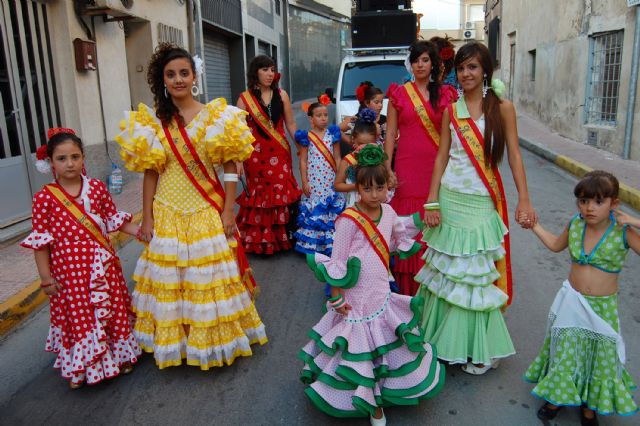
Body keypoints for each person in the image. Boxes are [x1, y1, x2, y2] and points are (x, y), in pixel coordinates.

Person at [116, 43, 267, 370]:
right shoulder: (154, 123)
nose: (178, 79)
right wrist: (147, 218)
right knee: (172, 280)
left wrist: (228, 210)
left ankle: (210, 344)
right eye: (171, 74)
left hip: (205, 210)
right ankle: (177, 343)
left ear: (194, 76)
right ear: (163, 79)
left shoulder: (217, 116)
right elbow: (150, 173)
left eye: (184, 73)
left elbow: (229, 166)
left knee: (207, 280)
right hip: (167, 211)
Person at [300, 145, 444, 425]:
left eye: (381, 188)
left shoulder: (389, 213)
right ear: (358, 188)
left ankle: (384, 392)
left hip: (379, 288)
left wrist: (421, 222)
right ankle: (368, 401)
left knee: (383, 342)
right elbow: (338, 261)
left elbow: (397, 236)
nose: (375, 194)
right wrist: (338, 296)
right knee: (356, 345)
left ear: (388, 187)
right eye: (368, 188)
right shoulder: (347, 221)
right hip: (355, 294)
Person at [416, 41, 537, 375]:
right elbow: (443, 155)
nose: (465, 73)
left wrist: (524, 198)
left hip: (483, 200)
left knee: (477, 277)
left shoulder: (503, 108)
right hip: (451, 197)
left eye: (472, 67)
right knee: (449, 273)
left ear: (485, 70)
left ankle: (483, 348)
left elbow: (513, 155)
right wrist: (432, 198)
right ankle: (445, 343)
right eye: (461, 67)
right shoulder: (451, 110)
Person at [22, 128, 141, 388]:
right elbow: (40, 244)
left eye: (75, 157)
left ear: (83, 158)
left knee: (111, 311)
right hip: (69, 275)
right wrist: (46, 279)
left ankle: (120, 357)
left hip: (103, 267)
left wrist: (142, 232)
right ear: (50, 162)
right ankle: (85, 367)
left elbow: (113, 220)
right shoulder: (44, 199)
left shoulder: (97, 188)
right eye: (62, 158)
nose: (70, 163)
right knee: (81, 318)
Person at [522, 171, 640, 424]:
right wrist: (534, 226)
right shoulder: (575, 224)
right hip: (571, 303)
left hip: (603, 309)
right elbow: (555, 245)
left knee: (599, 358)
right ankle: (556, 399)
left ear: (614, 203)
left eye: (598, 202)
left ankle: (589, 407)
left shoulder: (623, 232)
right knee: (565, 352)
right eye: (583, 201)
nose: (589, 208)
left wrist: (636, 221)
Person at [384, 40, 458, 296]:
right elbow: (390, 132)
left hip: (437, 166)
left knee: (436, 217)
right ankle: (409, 293)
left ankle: (438, 291)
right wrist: (387, 168)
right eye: (416, 60)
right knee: (409, 227)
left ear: (434, 63)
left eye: (425, 60)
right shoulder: (399, 93)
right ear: (410, 64)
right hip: (407, 166)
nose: (420, 65)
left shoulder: (447, 94)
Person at [236, 55, 302, 254]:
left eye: (272, 69)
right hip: (255, 156)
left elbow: (290, 123)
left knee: (280, 192)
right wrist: (238, 160)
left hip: (280, 154)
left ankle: (283, 237)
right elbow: (238, 132)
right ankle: (262, 240)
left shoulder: (282, 95)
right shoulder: (244, 99)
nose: (269, 74)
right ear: (255, 72)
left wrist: (300, 144)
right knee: (261, 195)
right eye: (265, 69)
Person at [293, 102, 345, 255]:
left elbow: (337, 157)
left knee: (331, 207)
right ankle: (315, 246)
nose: (323, 118)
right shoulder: (306, 137)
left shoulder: (332, 135)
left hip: (331, 179)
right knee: (317, 209)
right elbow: (303, 161)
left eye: (326, 115)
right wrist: (304, 181)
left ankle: (334, 243)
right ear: (311, 119)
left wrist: (340, 176)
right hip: (315, 181)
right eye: (319, 115)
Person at [334, 109, 379, 208]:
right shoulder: (348, 160)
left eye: (369, 144)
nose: (364, 148)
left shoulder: (379, 158)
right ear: (353, 140)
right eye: (361, 144)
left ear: (375, 140)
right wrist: (357, 186)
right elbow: (337, 185)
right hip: (354, 205)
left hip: (376, 202)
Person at [355, 81, 387, 145]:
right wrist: (350, 142)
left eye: (381, 102)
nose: (380, 105)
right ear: (367, 103)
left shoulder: (386, 119)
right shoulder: (357, 119)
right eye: (376, 102)